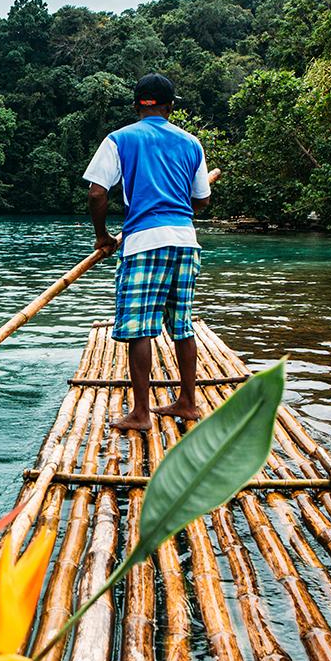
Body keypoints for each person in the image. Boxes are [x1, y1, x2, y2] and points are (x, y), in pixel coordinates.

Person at [83, 72, 218, 432]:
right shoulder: (191, 143)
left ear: (136, 104)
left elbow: (98, 193)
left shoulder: (120, 139)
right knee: (182, 325)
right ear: (171, 106)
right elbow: (202, 199)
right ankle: (188, 402)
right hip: (185, 241)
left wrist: (103, 236)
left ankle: (141, 413)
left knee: (139, 328)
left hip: (144, 242)